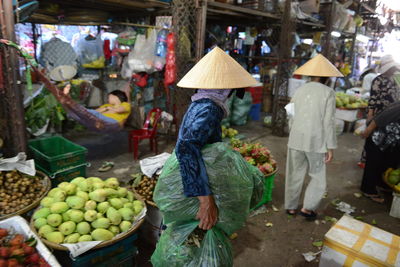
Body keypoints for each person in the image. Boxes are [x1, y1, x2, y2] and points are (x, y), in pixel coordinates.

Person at [174, 46, 257, 230]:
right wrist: (205, 200)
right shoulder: (209, 108)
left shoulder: (202, 102)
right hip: (194, 184)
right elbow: (186, 147)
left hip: (193, 176)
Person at [284, 54, 343, 220]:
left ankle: (290, 207)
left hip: (296, 138)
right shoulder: (328, 93)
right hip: (316, 142)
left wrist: (294, 130)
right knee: (317, 176)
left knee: (294, 173)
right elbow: (328, 122)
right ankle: (307, 209)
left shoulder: (300, 90)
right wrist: (330, 146)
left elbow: (290, 113)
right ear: (326, 77)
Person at [360, 101, 400, 203]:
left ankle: (381, 184)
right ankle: (368, 190)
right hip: (378, 138)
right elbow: (381, 118)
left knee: (386, 163)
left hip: (390, 141)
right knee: (373, 164)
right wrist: (367, 131)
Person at [63, 84, 131, 126]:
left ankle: (72, 106)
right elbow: (96, 111)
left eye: (109, 97)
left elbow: (119, 110)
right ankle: (71, 111)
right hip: (100, 119)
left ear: (115, 97)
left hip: (113, 121)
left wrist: (108, 109)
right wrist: (106, 108)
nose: (108, 99)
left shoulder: (125, 104)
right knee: (83, 117)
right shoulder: (106, 105)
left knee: (87, 114)